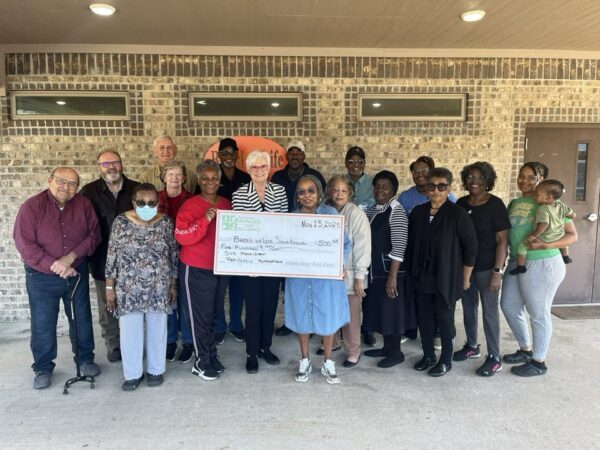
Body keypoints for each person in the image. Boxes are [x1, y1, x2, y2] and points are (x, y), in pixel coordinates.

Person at [14, 167, 101, 389]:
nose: (66, 187)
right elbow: (25, 244)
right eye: (61, 181)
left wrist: (70, 258)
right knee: (43, 323)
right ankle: (43, 368)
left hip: (75, 273)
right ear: (50, 180)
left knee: (81, 319)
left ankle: (85, 360)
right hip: (41, 277)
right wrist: (56, 266)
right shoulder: (32, 206)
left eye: (72, 183)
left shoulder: (83, 204)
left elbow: (94, 235)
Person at [501, 162, 578, 377]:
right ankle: (525, 349)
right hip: (517, 261)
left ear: (541, 179)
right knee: (508, 305)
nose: (524, 181)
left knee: (538, 312)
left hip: (543, 262)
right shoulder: (515, 203)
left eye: (531, 177)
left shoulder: (551, 202)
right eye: (521, 176)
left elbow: (572, 236)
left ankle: (538, 361)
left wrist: (546, 244)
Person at [105, 183, 178, 391]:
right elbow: (112, 255)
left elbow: (173, 254)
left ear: (158, 202)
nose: (147, 206)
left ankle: (156, 370)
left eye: (152, 203)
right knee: (130, 332)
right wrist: (110, 288)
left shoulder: (166, 222)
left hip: (159, 286)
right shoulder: (121, 222)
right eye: (142, 202)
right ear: (133, 202)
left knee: (157, 330)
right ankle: (132, 374)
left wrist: (173, 284)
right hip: (128, 287)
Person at [405, 168, 478, 377]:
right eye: (432, 186)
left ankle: (446, 360)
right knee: (424, 318)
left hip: (447, 276)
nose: (436, 190)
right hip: (422, 275)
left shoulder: (458, 214)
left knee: (445, 319)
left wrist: (466, 277)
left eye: (441, 186)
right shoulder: (418, 212)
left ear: (449, 188)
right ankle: (428, 355)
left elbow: (471, 247)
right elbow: (411, 244)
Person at [285, 175, 351, 384]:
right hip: (299, 278)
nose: (307, 195)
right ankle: (305, 360)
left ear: (319, 193)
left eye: (311, 191)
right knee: (302, 315)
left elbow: (345, 244)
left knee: (327, 316)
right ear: (297, 196)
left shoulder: (330, 214)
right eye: (302, 192)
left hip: (326, 278)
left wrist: (340, 264)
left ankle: (328, 361)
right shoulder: (291, 219)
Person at [80, 149, 139, 363]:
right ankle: (113, 344)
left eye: (115, 162)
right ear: (99, 167)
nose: (111, 167)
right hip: (101, 258)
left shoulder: (136, 189)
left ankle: (133, 341)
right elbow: (83, 227)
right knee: (108, 304)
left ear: (121, 164)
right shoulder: (88, 192)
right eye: (105, 164)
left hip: (133, 260)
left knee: (133, 302)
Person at [232, 150, 288, 373]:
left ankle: (266, 347)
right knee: (254, 307)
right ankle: (252, 352)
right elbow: (239, 230)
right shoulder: (239, 194)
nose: (259, 170)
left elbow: (284, 225)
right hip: (250, 262)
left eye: (263, 166)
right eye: (254, 167)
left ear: (269, 168)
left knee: (270, 305)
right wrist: (250, 261)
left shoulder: (279, 191)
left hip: (273, 260)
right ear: (248, 169)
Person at [175, 160, 231, 380]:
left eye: (215, 178)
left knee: (214, 316)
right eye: (205, 178)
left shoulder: (226, 204)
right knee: (200, 318)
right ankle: (200, 362)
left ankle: (211, 356)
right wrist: (204, 220)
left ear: (220, 180)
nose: (210, 182)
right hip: (196, 268)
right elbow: (182, 236)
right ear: (199, 180)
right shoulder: (190, 205)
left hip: (220, 268)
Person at [454, 162, 510, 376]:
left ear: (488, 181)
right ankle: (472, 346)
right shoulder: (461, 203)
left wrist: (497, 271)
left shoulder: (495, 205)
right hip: (466, 268)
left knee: (490, 313)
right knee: (468, 307)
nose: (474, 181)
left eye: (479, 177)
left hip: (487, 268)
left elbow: (502, 241)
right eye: (470, 177)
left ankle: (494, 357)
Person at [398, 155, 456, 345]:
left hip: (442, 258)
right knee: (418, 296)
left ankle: (440, 334)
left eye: (424, 171)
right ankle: (413, 330)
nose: (420, 174)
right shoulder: (406, 197)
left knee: (441, 299)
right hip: (416, 254)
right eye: (416, 171)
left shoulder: (450, 200)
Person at [271, 140, 327, 336]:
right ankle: (291, 322)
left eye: (298, 152)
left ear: (304, 155)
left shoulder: (315, 176)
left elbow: (322, 202)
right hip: (285, 234)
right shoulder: (277, 176)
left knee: (311, 281)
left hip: (311, 235)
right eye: (291, 152)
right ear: (286, 156)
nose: (295, 156)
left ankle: (310, 322)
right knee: (291, 283)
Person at [363, 171, 414, 368]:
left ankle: (396, 352)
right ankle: (386, 348)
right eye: (377, 186)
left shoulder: (396, 210)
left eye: (385, 186)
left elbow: (400, 246)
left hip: (390, 272)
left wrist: (392, 277)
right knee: (382, 311)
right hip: (376, 270)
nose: (380, 190)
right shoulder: (373, 209)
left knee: (392, 312)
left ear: (394, 190)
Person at [325, 175, 371, 368]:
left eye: (344, 190)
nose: (339, 194)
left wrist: (359, 277)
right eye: (336, 190)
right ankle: (333, 343)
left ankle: (353, 351)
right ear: (330, 192)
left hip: (351, 276)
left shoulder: (356, 214)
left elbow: (362, 247)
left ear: (350, 193)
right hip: (328, 274)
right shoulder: (325, 211)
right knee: (330, 310)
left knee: (351, 316)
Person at [212, 138, 251, 345]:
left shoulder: (246, 177)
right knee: (219, 288)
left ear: (237, 154)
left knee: (238, 287)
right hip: (217, 240)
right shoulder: (211, 177)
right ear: (219, 155)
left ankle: (236, 325)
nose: (228, 157)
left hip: (241, 240)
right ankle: (219, 327)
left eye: (231, 153)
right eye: (224, 153)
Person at [157, 160, 194, 363]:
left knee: (186, 300)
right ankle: (170, 340)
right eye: (170, 174)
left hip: (186, 254)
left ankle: (188, 341)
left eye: (178, 174)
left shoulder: (192, 199)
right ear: (164, 178)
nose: (174, 178)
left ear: (184, 178)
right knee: (168, 299)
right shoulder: (155, 199)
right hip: (162, 256)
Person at [509, 179, 575, 275]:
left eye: (537, 194)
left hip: (545, 238)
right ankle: (566, 256)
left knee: (522, 247)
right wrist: (571, 216)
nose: (535, 196)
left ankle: (521, 267)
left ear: (548, 197)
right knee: (564, 244)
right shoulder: (561, 206)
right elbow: (572, 214)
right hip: (558, 234)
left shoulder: (543, 208)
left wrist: (534, 235)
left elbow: (544, 224)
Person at [345, 146, 374, 210]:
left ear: (364, 163)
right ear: (346, 163)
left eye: (360, 162)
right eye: (351, 162)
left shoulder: (373, 183)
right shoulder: (340, 182)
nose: (356, 165)